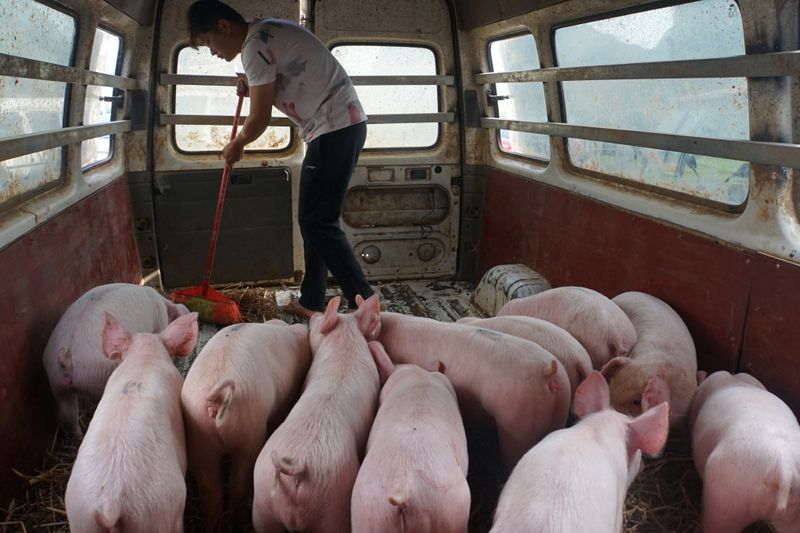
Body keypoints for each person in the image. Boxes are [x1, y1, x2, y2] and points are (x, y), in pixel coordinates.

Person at [187, 0, 375, 318]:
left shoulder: (253, 46)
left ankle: (366, 303)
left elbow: (258, 119)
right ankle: (313, 300)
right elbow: (279, 83)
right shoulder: (263, 32)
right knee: (315, 221)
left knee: (317, 222)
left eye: (208, 43)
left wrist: (238, 143)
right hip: (340, 126)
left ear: (223, 26)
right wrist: (255, 85)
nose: (213, 52)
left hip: (334, 127)